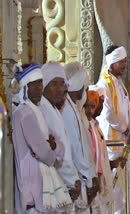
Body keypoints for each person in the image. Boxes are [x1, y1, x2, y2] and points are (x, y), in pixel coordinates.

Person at [12, 63, 71, 213]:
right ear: (26, 87)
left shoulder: (39, 111)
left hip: (43, 183)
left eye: (40, 83)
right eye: (34, 84)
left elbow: (59, 146)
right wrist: (51, 151)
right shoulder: (23, 113)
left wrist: (53, 147)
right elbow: (43, 152)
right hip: (32, 185)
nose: (39, 88)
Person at [96, 45, 130, 214]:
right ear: (111, 63)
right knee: (116, 189)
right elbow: (108, 113)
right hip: (113, 146)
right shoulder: (104, 83)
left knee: (126, 187)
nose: (124, 64)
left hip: (123, 144)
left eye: (125, 60)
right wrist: (125, 129)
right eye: (121, 61)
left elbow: (128, 108)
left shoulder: (119, 83)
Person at [39, 61, 82, 205]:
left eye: (62, 84)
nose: (59, 89)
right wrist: (71, 181)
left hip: (66, 185)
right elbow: (54, 156)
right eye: (54, 84)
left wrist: (74, 180)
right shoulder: (43, 110)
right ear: (44, 86)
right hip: (55, 185)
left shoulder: (55, 109)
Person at [62, 62, 99, 213]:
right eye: (85, 88)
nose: (86, 92)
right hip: (76, 180)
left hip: (81, 178)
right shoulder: (67, 110)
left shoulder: (74, 108)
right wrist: (90, 177)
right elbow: (76, 150)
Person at [85, 90, 114, 213]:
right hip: (90, 178)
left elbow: (100, 156)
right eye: (88, 106)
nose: (90, 110)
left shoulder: (96, 126)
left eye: (93, 106)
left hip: (99, 178)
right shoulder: (86, 126)